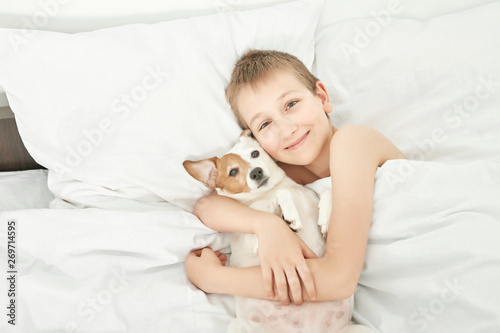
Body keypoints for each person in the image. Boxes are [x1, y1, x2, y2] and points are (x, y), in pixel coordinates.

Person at [185, 49, 407, 306]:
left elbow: (338, 279)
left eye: (291, 104)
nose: (287, 129)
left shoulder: (352, 141)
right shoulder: (285, 177)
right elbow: (208, 205)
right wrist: (267, 226)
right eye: (265, 124)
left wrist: (215, 279)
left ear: (322, 97)